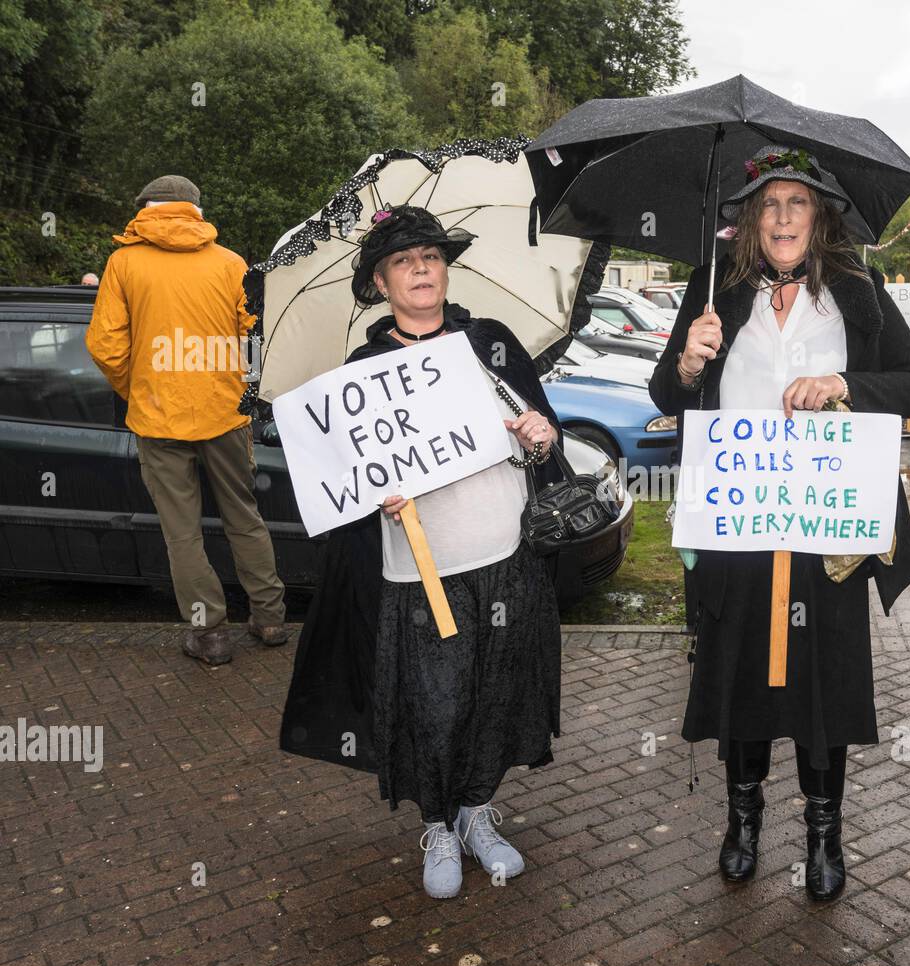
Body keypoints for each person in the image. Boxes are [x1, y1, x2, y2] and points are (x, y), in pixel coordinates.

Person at [649, 146, 910, 901]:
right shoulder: (716, 289)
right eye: (769, 204)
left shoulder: (856, 289)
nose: (782, 217)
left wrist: (844, 381)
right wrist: (687, 361)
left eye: (798, 203)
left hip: (827, 530)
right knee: (740, 675)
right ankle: (741, 820)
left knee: (824, 686)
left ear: (820, 217)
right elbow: (670, 393)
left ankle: (823, 831)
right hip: (736, 524)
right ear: (750, 219)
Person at [280, 205, 564, 900]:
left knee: (493, 694)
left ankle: (475, 812)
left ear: (445, 269)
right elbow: (347, 480)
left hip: (503, 556)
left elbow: (542, 439)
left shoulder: (491, 344)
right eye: (405, 261)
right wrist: (371, 495)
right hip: (419, 569)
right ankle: (437, 823)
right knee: (435, 703)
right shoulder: (366, 371)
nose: (421, 270)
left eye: (431, 257)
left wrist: (539, 431)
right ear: (380, 282)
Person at [86, 175, 287, 665]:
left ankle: (210, 634)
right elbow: (256, 339)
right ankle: (271, 618)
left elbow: (106, 345)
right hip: (224, 415)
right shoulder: (230, 262)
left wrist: (140, 388)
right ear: (196, 210)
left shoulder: (124, 263)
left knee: (182, 533)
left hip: (158, 420)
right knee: (244, 516)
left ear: (145, 208)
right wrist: (237, 387)